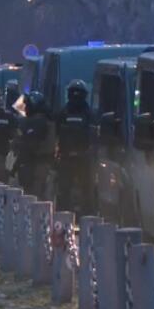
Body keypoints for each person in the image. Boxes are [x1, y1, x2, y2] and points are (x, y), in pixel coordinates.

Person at [54, 80, 94, 213]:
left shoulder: (64, 112)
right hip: (76, 158)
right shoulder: (88, 113)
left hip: (76, 158)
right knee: (75, 190)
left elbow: (57, 133)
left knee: (77, 190)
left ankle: (72, 215)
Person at [12, 91, 52, 198]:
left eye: (27, 105)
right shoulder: (48, 121)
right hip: (41, 163)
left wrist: (15, 165)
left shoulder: (34, 122)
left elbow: (27, 145)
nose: (24, 108)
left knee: (31, 195)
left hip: (33, 163)